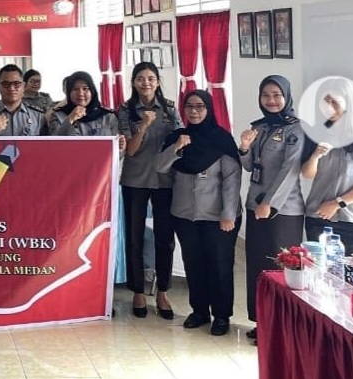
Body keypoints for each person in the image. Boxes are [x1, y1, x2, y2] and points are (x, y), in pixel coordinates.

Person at [157, 90, 242, 336]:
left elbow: (232, 179)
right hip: (184, 214)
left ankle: (222, 315)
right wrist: (176, 148)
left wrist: (228, 213)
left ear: (209, 109)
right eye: (189, 107)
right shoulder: (177, 137)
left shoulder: (221, 139)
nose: (194, 111)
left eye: (200, 106)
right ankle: (200, 311)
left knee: (219, 265)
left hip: (217, 216)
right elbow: (160, 167)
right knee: (193, 264)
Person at [240, 75, 305, 342]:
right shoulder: (259, 127)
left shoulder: (296, 129)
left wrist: (270, 203)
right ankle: (262, 321)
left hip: (283, 210)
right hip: (256, 205)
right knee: (258, 266)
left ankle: (280, 327)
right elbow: (248, 166)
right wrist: (244, 147)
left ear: (286, 97)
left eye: (277, 95)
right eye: (266, 95)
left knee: (279, 269)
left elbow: (290, 170)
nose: (271, 100)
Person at [117, 63, 181, 319]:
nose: (146, 83)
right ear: (133, 82)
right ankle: (138, 291)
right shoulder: (124, 110)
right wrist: (143, 126)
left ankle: (163, 291)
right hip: (135, 179)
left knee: (165, 238)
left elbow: (178, 141)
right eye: (141, 79)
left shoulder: (170, 108)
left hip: (165, 180)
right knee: (134, 237)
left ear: (158, 81)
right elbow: (130, 150)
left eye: (151, 79)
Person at [301, 77, 353, 255]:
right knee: (318, 270)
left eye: (335, 102)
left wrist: (337, 203)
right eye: (325, 102)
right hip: (318, 216)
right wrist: (315, 156)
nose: (329, 108)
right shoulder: (315, 134)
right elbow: (307, 174)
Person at [0, 64, 46, 136]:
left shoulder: (38, 116)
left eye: (16, 84)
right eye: (5, 84)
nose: (11, 88)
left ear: (23, 86)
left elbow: (48, 142)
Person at [48, 71, 121, 137]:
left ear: (92, 91)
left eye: (85, 88)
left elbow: (116, 144)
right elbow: (53, 143)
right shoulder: (58, 116)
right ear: (68, 92)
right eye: (75, 89)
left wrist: (121, 145)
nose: (80, 93)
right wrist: (70, 118)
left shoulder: (108, 117)